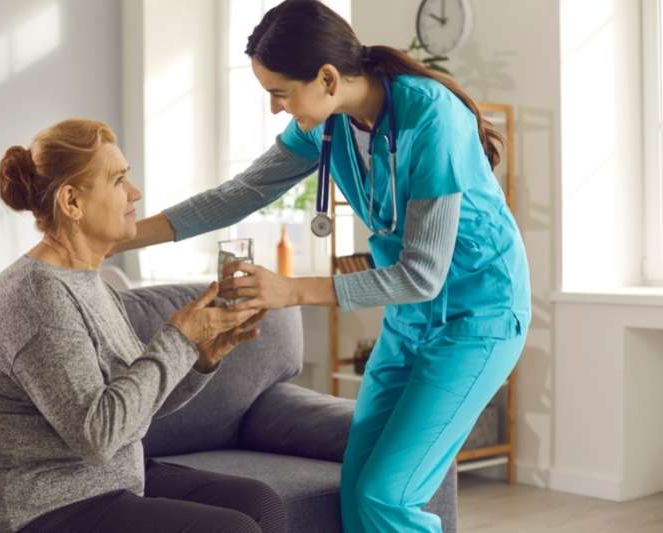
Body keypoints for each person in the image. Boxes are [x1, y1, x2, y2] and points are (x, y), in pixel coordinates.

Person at [110, 1, 532, 531]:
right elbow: (239, 193)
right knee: (358, 491)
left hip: (477, 319)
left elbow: (422, 274)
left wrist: (290, 290)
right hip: (409, 322)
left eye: (279, 94)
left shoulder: (432, 117)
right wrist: (121, 238)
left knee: (387, 496)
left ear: (327, 78)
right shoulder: (328, 127)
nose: (274, 108)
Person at [0, 118, 286, 533]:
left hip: (107, 481)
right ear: (72, 202)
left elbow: (134, 410)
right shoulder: (34, 295)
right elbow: (98, 435)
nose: (135, 193)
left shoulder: (89, 281)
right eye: (117, 181)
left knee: (259, 503)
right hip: (39, 504)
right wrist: (178, 337)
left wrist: (199, 359)